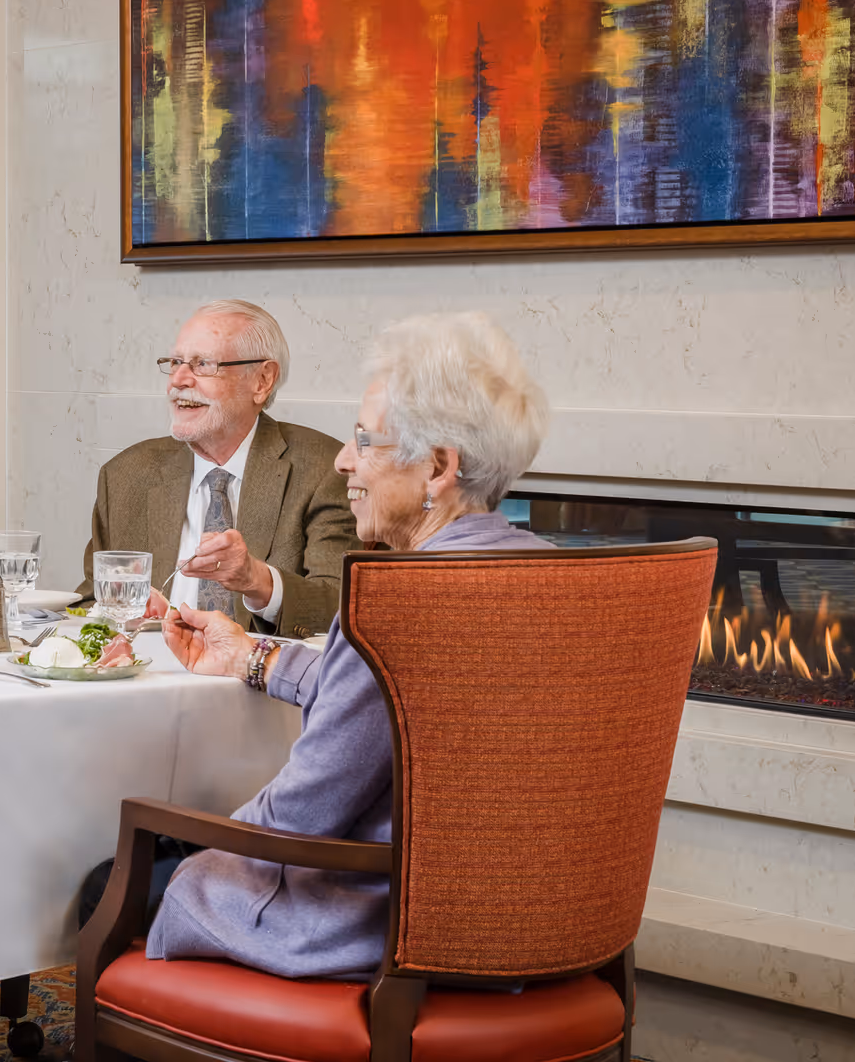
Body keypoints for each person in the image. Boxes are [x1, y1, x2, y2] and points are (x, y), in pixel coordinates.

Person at [79, 312, 552, 980]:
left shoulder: (397, 605)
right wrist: (251, 654)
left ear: (439, 467)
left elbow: (295, 819)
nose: (343, 460)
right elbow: (377, 688)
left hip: (377, 932)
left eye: (365, 441)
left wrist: (196, 838)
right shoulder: (552, 574)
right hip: (529, 928)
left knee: (115, 877)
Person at [78, 300, 356, 639]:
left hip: (258, 686)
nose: (178, 380)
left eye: (202, 364)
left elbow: (345, 612)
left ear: (262, 381)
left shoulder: (323, 470)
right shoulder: (126, 475)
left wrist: (257, 581)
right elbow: (92, 602)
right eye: (176, 362)